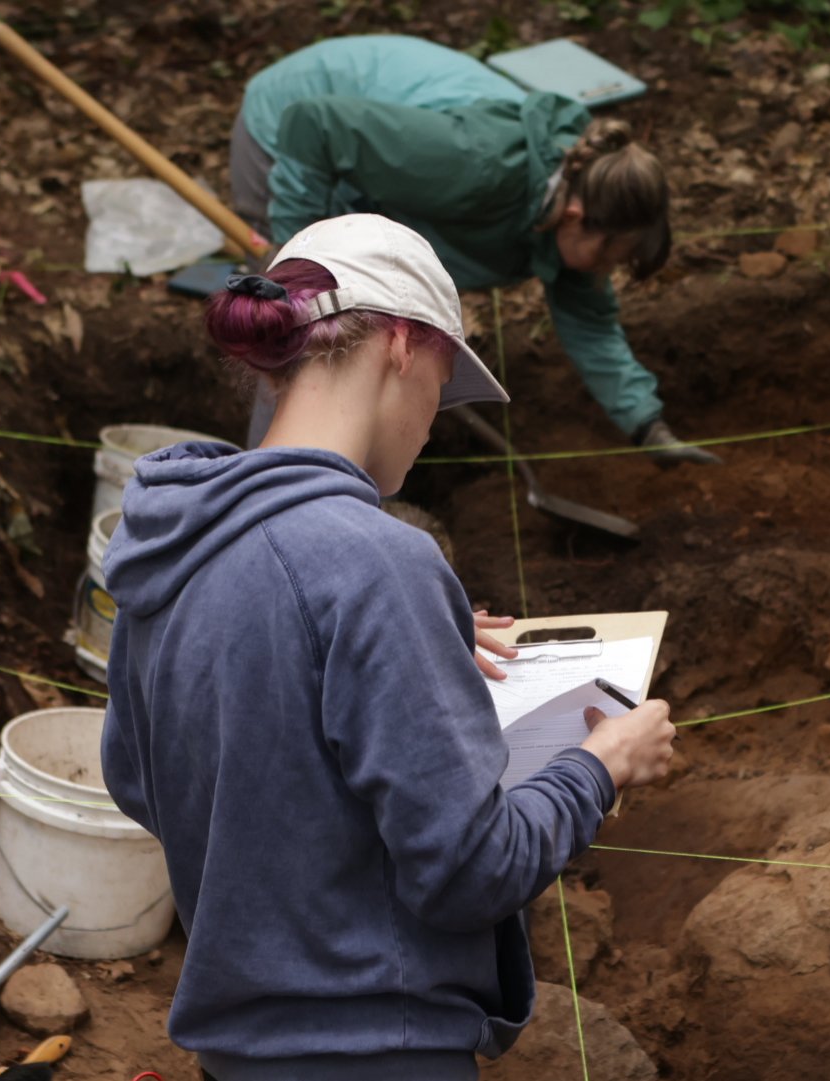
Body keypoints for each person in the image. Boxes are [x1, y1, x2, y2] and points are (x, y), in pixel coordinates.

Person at [99, 214, 678, 1081]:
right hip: (375, 1051)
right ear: (403, 345)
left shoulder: (175, 539)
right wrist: (600, 763)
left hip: (234, 1055)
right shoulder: (378, 562)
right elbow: (472, 869)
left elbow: (145, 783)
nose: (435, 423)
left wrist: (408, 652)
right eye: (444, 388)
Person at [230, 35, 718, 464]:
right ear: (577, 217)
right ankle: (275, 494)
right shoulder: (477, 164)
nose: (606, 273)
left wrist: (649, 427)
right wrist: (305, 261)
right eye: (612, 258)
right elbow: (313, 126)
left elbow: (592, 327)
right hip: (291, 128)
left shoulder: (571, 208)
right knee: (310, 337)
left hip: (367, 166)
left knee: (363, 341)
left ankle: (353, 475)